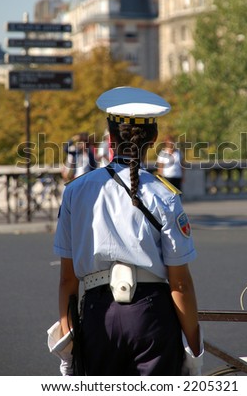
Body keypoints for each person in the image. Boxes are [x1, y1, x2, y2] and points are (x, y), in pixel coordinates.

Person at [48, 86, 203, 376]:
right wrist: (194, 350)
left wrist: (68, 347)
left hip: (97, 314)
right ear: (153, 138)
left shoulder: (75, 192)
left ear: (110, 137)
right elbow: (180, 285)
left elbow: (67, 280)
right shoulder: (165, 195)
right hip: (151, 315)